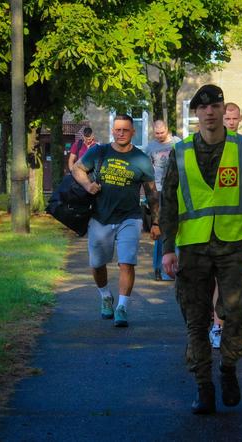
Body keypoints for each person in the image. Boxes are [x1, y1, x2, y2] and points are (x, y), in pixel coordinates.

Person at [160, 84, 242, 414]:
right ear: (196, 113)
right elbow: (167, 203)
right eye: (202, 107)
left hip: (233, 244)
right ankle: (203, 387)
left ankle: (229, 369)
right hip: (192, 248)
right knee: (195, 318)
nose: (209, 112)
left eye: (215, 105)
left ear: (224, 110)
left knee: (235, 311)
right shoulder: (180, 153)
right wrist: (167, 248)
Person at [72, 115, 161, 327]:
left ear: (133, 132)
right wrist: (87, 185)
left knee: (127, 262)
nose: (121, 133)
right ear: (113, 131)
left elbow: (152, 193)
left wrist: (156, 222)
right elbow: (77, 168)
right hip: (100, 218)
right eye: (117, 129)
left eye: (126, 130)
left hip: (129, 217)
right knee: (97, 263)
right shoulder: (99, 151)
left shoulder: (141, 159)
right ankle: (105, 296)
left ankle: (122, 307)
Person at [208, 102, 242, 348]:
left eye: (234, 119)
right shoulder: (212, 146)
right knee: (210, 281)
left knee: (227, 281)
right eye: (227, 119)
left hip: (234, 226)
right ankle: (214, 324)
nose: (230, 123)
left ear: (240, 119)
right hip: (207, 225)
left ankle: (220, 325)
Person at [147, 120, 181, 281]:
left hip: (176, 189)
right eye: (157, 133)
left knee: (176, 227)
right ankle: (158, 268)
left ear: (167, 129)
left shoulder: (177, 143)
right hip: (159, 191)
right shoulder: (150, 148)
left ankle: (175, 267)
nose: (159, 136)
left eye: (162, 133)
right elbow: (147, 170)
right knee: (160, 229)